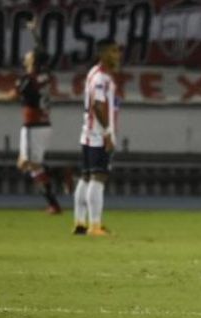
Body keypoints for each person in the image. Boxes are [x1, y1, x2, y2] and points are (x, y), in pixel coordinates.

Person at [0, 47, 61, 214]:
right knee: (30, 166)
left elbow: (12, 96)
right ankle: (53, 204)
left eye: (28, 56)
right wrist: (34, 31)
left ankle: (62, 175)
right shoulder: (45, 76)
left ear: (34, 61)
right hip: (43, 125)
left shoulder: (28, 79)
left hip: (33, 126)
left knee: (28, 164)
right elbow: (45, 54)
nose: (24, 58)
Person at [73, 38, 121, 237]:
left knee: (85, 177)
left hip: (88, 132)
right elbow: (98, 105)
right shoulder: (101, 78)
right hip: (97, 134)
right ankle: (94, 225)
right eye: (113, 51)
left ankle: (79, 222)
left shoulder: (93, 73)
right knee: (98, 177)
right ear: (103, 54)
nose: (117, 55)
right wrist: (108, 132)